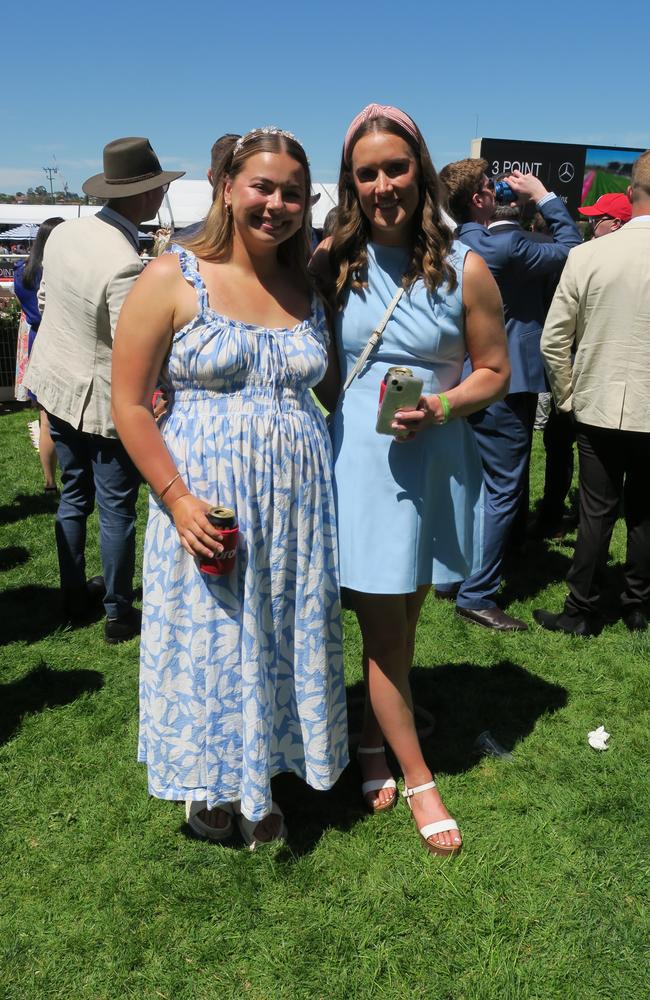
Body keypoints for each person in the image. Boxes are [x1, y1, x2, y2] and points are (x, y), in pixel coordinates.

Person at [111, 127, 348, 849]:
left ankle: (268, 771)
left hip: (299, 504)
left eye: (292, 194)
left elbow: (337, 388)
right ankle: (210, 785)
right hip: (206, 499)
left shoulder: (306, 284)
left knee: (281, 633)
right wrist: (178, 499)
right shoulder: (171, 276)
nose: (276, 204)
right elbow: (127, 401)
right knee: (213, 642)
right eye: (262, 187)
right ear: (226, 188)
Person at [313, 104, 509, 856]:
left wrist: (444, 404)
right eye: (368, 173)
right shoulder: (333, 257)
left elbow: (496, 370)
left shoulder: (468, 266)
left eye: (396, 167)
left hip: (433, 456)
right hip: (360, 463)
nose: (383, 184)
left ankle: (370, 743)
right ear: (351, 182)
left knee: (408, 616)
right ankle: (420, 776)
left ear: (420, 171)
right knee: (383, 628)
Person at [24, 137, 184, 639]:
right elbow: (132, 344)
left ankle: (73, 597)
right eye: (157, 188)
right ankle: (117, 611)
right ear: (144, 195)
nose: (160, 196)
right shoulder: (123, 261)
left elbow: (47, 299)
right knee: (117, 508)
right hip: (100, 401)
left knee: (73, 496)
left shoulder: (64, 235)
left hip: (56, 383)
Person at [437, 159, 581, 629]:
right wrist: (541, 195)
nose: (497, 189)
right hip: (506, 381)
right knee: (503, 488)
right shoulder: (509, 244)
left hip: (457, 379)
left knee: (464, 482)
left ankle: (449, 577)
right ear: (479, 198)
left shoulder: (451, 246)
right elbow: (571, 249)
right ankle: (478, 593)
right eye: (489, 186)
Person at [534, 153, 650, 636]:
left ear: (632, 192)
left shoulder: (589, 254)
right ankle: (638, 605)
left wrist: (567, 397)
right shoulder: (587, 253)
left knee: (594, 511)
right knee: (644, 511)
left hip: (596, 403)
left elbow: (553, 340)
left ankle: (581, 608)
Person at [12, 216, 64, 492]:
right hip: (63, 340)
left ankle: (50, 483)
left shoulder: (23, 271)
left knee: (45, 418)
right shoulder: (63, 271)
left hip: (38, 341)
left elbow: (23, 303)